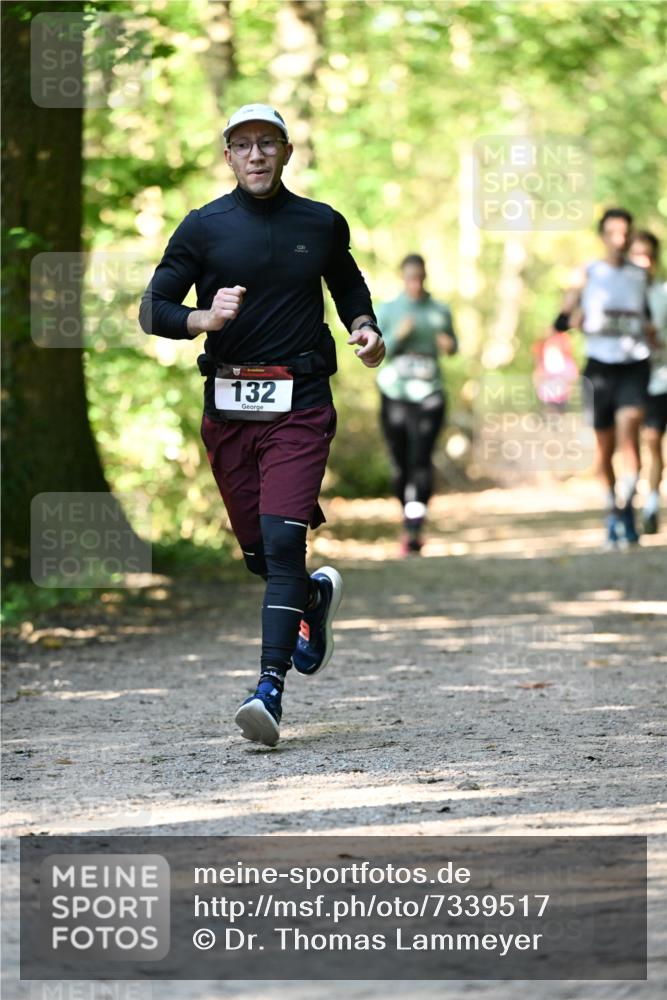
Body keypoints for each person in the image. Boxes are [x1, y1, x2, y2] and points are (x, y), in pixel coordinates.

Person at [139, 104, 384, 747]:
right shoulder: (204, 228)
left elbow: (349, 286)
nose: (255, 155)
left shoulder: (321, 223)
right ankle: (309, 602)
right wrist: (201, 320)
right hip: (229, 409)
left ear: (286, 151)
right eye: (242, 145)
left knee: (282, 545)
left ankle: (268, 689)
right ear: (227, 157)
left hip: (301, 401)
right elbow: (153, 308)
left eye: (266, 143)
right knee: (258, 554)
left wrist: (365, 327)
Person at [550, 208, 655, 548]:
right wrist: (572, 315)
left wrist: (651, 329)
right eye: (613, 233)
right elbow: (560, 321)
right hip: (599, 367)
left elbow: (652, 316)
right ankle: (614, 506)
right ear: (603, 236)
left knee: (631, 428)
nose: (619, 240)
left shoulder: (641, 275)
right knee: (604, 447)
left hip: (634, 363)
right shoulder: (588, 274)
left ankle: (628, 501)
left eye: (625, 233)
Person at [376, 254, 457, 554]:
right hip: (395, 393)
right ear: (402, 277)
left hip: (430, 393)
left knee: (421, 458)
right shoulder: (387, 309)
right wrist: (398, 336)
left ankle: (414, 526)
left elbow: (453, 345)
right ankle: (406, 513)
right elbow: (376, 351)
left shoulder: (439, 310)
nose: (415, 283)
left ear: (425, 277)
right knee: (400, 463)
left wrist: (449, 344)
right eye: (410, 278)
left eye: (420, 278)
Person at [627, 231, 667, 534]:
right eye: (636, 255)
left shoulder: (662, 294)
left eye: (647, 256)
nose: (642, 262)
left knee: (653, 440)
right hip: (627, 376)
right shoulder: (618, 294)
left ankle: (652, 501)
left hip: (660, 377)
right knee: (629, 440)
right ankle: (626, 498)